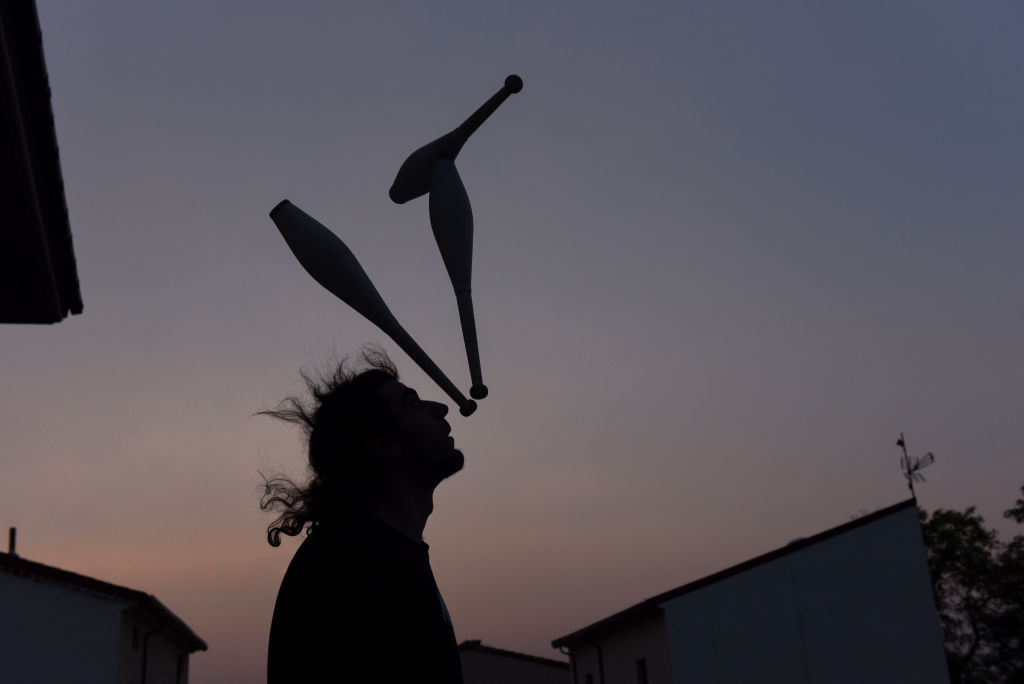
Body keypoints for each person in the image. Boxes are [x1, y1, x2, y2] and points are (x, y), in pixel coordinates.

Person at [262, 349, 465, 683]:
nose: (440, 409)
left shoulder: (376, 554)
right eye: (412, 403)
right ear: (382, 444)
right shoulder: (346, 561)